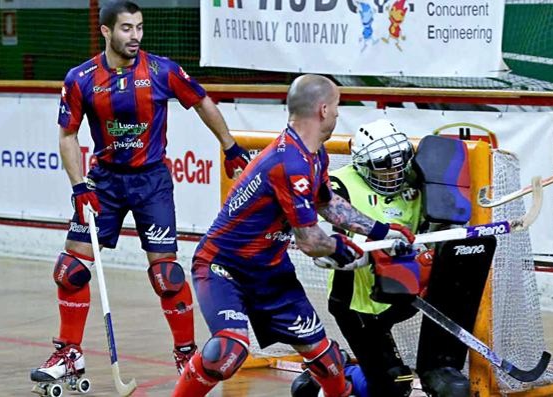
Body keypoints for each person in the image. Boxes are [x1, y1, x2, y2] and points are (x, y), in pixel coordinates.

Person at [29, 0, 251, 386]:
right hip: (105, 182)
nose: (135, 36)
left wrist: (230, 146)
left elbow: (201, 101)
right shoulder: (80, 78)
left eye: (140, 28)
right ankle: (70, 352)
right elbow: (67, 135)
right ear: (106, 31)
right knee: (71, 270)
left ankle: (186, 356)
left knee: (166, 274)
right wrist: (80, 186)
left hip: (152, 182)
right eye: (127, 29)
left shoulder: (162, 70)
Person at [171, 74, 415, 397]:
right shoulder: (289, 162)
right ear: (324, 110)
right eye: (338, 106)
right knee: (228, 353)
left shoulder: (314, 154)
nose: (339, 114)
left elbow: (328, 204)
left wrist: (382, 230)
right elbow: (310, 241)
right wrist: (356, 253)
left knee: (326, 360)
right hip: (224, 269)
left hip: (270, 273)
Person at [289, 119, 472, 397]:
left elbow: (437, 224)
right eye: (384, 169)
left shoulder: (418, 180)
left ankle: (432, 367)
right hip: (357, 303)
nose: (395, 174)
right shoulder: (337, 185)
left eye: (400, 166)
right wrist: (364, 254)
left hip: (402, 294)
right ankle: (337, 370)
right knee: (394, 385)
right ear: (363, 166)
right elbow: (322, 249)